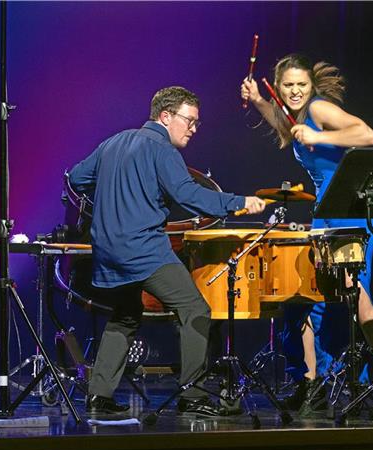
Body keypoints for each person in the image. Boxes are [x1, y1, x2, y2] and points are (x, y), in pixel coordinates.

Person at [69, 86, 266, 416]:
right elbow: (188, 195)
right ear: (165, 116)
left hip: (107, 250)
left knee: (126, 315)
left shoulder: (112, 143)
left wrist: (112, 192)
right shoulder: (161, 149)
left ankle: (98, 396)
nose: (193, 129)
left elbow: (76, 178)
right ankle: (193, 395)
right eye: (189, 121)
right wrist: (238, 202)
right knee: (196, 311)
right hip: (143, 249)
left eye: (196, 123)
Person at [241, 54, 373, 415]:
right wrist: (260, 102)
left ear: (311, 86)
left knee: (357, 298)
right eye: (288, 85)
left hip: (349, 215)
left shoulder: (320, 109)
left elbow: (367, 134)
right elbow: (286, 128)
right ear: (279, 87)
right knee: (309, 299)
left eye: (301, 85)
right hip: (324, 216)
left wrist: (319, 133)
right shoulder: (295, 116)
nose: (295, 91)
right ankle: (313, 383)